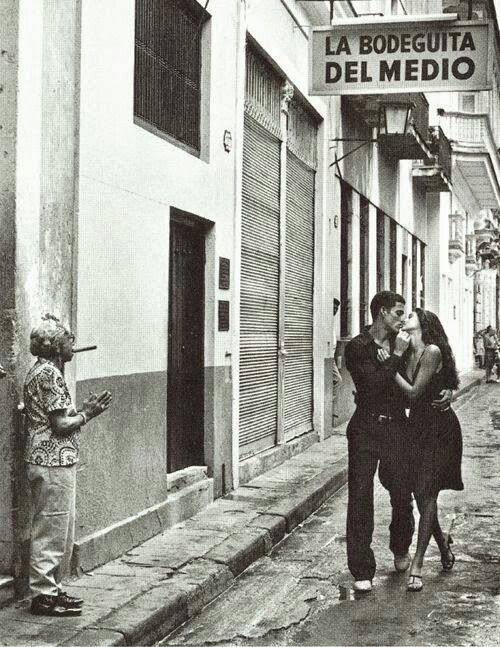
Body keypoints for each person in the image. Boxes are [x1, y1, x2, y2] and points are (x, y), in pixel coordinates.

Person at [344, 291, 452, 593]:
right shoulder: (358, 347)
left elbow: (432, 365)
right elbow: (372, 387)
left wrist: (448, 391)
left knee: (401, 491)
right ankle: (362, 569)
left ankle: (400, 546)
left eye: (405, 315)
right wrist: (392, 359)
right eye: (397, 313)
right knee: (361, 496)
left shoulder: (400, 344)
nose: (403, 320)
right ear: (381, 313)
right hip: (365, 427)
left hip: (397, 427)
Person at [24, 314, 112, 616]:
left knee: (59, 528)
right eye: (68, 340)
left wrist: (79, 412)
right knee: (52, 529)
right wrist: (88, 414)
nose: (73, 344)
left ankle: (52, 589)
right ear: (56, 346)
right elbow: (60, 425)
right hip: (51, 460)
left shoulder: (43, 370)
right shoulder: (50, 374)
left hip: (52, 460)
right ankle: (43, 596)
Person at [379, 308, 463, 592]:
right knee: (421, 493)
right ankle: (443, 547)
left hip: (439, 430)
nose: (405, 319)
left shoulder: (433, 351)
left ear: (424, 324)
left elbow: (414, 393)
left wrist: (389, 366)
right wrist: (393, 360)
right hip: (414, 428)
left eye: (411, 316)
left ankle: (417, 564)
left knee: (427, 494)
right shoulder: (402, 348)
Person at [332, 297, 342, 390]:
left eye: (336, 309)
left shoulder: (332, 323)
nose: (335, 310)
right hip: (328, 358)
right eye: (333, 308)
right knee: (338, 380)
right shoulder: (327, 322)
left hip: (332, 359)